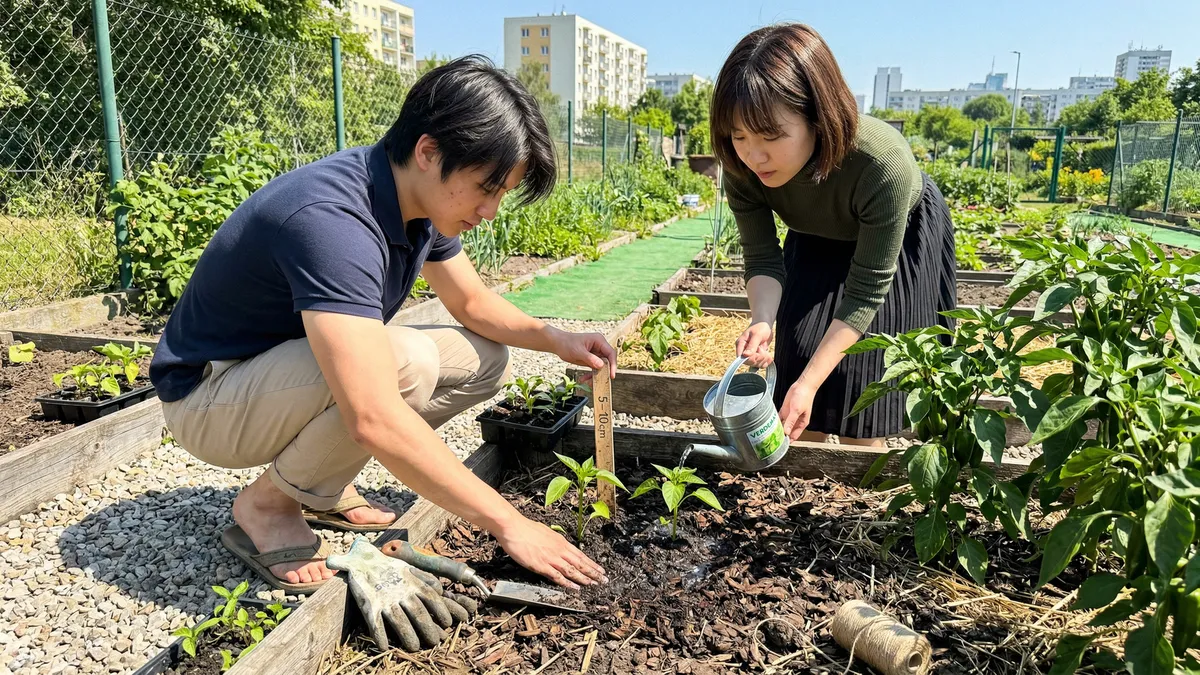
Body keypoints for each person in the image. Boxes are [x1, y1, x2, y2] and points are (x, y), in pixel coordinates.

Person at [150, 55, 614, 594]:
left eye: (501, 194)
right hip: (209, 398)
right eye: (486, 188)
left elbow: (471, 304)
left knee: (485, 359)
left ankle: (318, 480)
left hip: (280, 376)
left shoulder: (417, 200)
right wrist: (510, 524)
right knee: (404, 365)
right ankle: (268, 506)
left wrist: (556, 339)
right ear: (428, 151)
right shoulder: (334, 220)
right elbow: (372, 414)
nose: (490, 211)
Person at [709, 24, 956, 446]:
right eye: (739, 135)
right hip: (814, 233)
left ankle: (862, 489)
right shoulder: (742, 165)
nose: (754, 154)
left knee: (868, 373)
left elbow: (865, 292)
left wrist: (808, 385)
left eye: (772, 135)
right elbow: (763, 256)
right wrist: (762, 319)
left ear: (818, 117)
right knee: (798, 352)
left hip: (899, 233)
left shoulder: (880, 164)